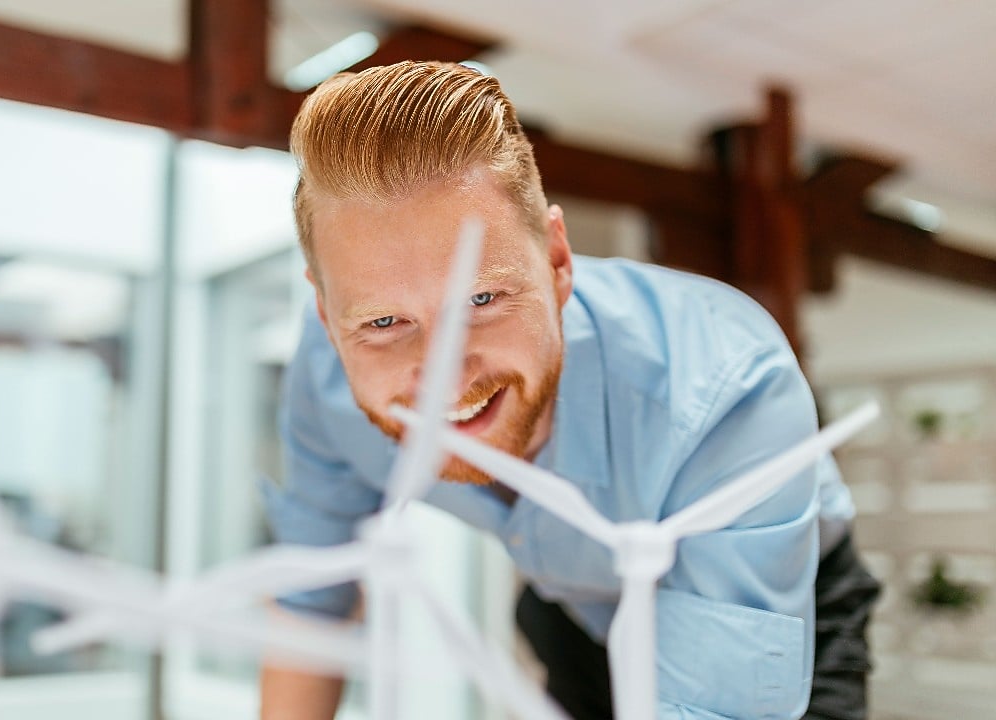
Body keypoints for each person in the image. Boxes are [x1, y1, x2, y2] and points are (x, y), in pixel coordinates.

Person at [260, 61, 880, 720]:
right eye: (385, 322)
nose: (445, 373)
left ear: (558, 263)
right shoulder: (327, 376)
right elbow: (312, 604)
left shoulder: (727, 385)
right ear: (329, 318)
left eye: (482, 297)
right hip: (577, 609)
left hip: (766, 594)